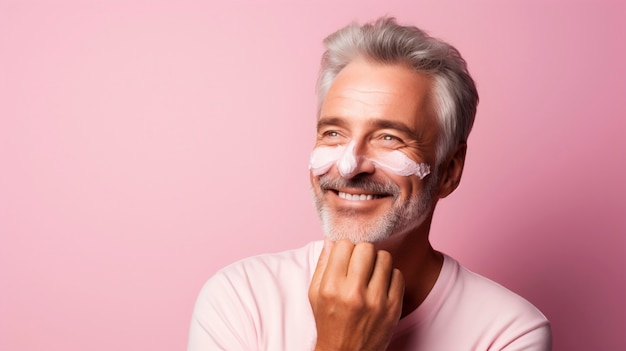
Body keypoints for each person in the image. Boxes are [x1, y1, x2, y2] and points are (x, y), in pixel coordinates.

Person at [187, 17, 551, 350]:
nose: (348, 166)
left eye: (389, 138)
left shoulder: (509, 333)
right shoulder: (240, 299)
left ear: (450, 170)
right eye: (333, 133)